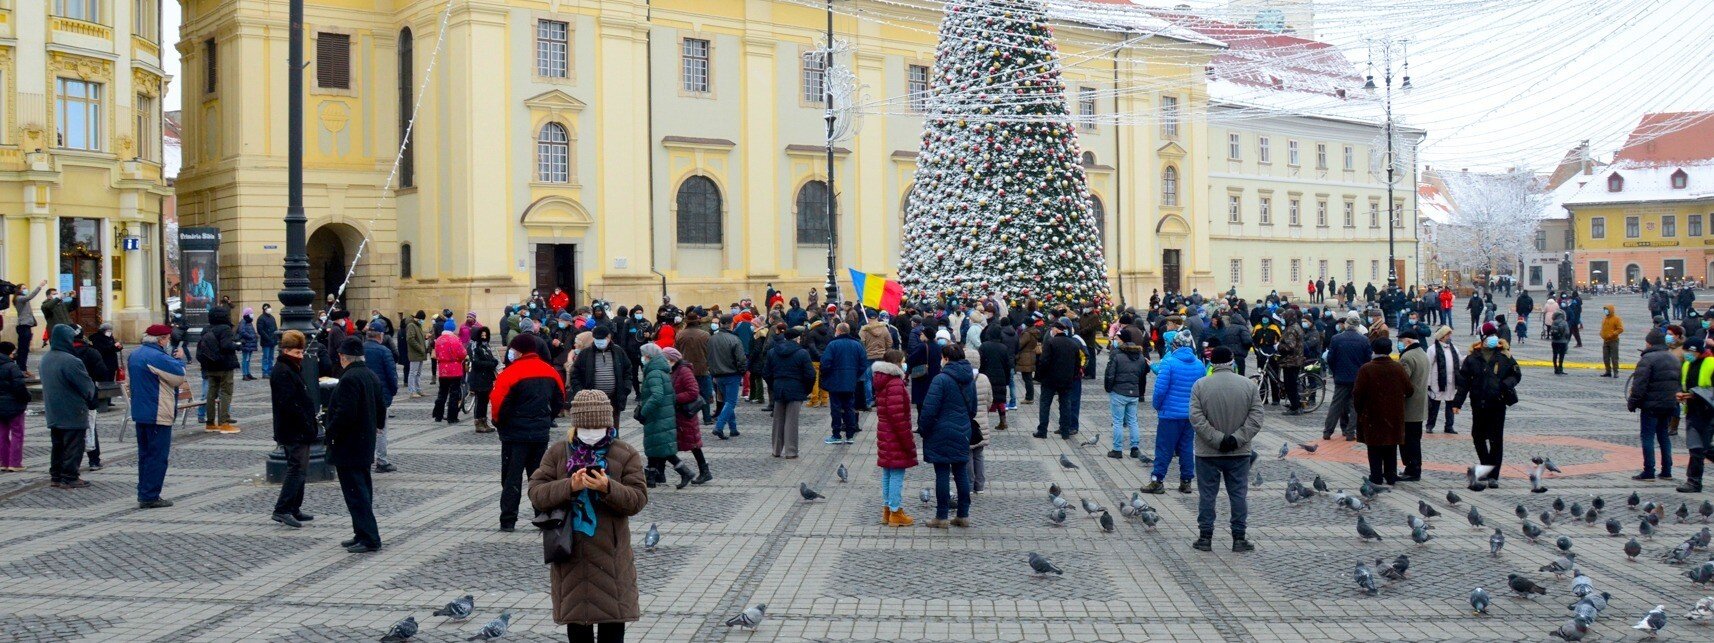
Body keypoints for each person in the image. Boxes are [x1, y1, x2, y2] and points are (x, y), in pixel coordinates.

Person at [528, 389, 647, 643]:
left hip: (611, 556)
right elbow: (536, 493)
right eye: (586, 426)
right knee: (578, 629)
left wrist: (608, 488)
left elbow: (637, 499)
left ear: (608, 424)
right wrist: (569, 486)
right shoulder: (558, 452)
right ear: (576, 425)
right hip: (571, 553)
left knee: (612, 628)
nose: (592, 432)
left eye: (598, 426)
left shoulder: (625, 453)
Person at [1187, 346, 1261, 553]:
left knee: (1207, 495)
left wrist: (1217, 439)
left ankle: (1205, 537)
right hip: (1239, 451)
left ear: (1211, 363)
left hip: (1207, 452)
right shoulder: (1248, 386)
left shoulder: (1200, 385)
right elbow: (1256, 418)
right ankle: (1239, 538)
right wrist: (1236, 439)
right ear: (1231, 362)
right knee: (1238, 495)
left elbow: (1196, 418)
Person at [490, 334, 565, 531]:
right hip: (540, 434)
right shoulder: (549, 371)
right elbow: (560, 399)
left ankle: (508, 520)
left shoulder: (510, 373)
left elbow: (498, 404)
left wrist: (500, 424)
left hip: (514, 436)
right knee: (539, 476)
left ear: (519, 351)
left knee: (511, 479)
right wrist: (547, 419)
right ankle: (541, 515)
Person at [326, 337, 385, 552]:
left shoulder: (350, 378)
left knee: (356, 492)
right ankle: (360, 532)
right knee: (362, 489)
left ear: (343, 357)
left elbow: (345, 413)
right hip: (364, 442)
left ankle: (370, 538)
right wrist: (378, 424)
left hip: (349, 444)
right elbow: (381, 405)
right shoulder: (370, 374)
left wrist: (330, 430)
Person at [1453, 323, 1521, 487]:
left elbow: (1516, 374)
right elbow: (1464, 383)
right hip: (1479, 404)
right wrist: (1457, 403)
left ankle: (1493, 475)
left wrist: (1506, 384)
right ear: (1482, 339)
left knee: (1496, 440)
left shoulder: (1504, 356)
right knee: (1478, 436)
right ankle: (1486, 466)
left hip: (1497, 404)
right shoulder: (1472, 358)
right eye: (1489, 335)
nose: (1493, 338)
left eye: (1494, 335)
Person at [126, 324, 186, 508]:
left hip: (141, 411)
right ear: (160, 339)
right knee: (157, 456)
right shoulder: (156, 356)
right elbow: (178, 376)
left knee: (145, 454)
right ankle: (150, 495)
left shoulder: (135, 354)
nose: (168, 341)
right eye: (167, 338)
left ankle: (144, 491)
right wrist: (180, 361)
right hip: (157, 411)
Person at [920, 344, 975, 528]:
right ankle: (963, 514)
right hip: (963, 430)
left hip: (941, 431)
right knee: (960, 472)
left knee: (942, 473)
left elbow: (929, 409)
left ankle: (942, 516)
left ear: (946, 358)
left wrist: (923, 429)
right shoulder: (969, 378)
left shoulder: (940, 379)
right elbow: (973, 408)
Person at [1144, 330, 1204, 494]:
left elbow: (1160, 391)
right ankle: (1186, 481)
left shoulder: (1169, 362)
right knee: (1186, 448)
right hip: (1189, 414)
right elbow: (1202, 390)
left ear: (1174, 345)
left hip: (1170, 414)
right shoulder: (1199, 364)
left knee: (1164, 448)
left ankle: (1157, 480)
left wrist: (1158, 406)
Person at [269, 331, 318, 528]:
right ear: (286, 350)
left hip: (297, 428)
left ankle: (294, 507)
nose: (300, 356)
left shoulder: (290, 368)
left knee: (301, 469)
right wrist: (306, 423)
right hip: (293, 429)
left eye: (301, 352)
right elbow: (289, 403)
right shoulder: (283, 370)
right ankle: (282, 509)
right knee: (296, 469)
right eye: (297, 352)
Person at [41, 325, 97, 488]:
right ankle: (70, 476)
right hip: (72, 409)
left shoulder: (46, 358)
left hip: (53, 410)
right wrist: (90, 395)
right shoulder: (71, 361)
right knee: (74, 444)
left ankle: (56, 476)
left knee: (57, 444)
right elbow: (87, 387)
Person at [1353, 337, 1410, 486]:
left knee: (1374, 447)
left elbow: (1357, 393)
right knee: (1391, 446)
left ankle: (1376, 476)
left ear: (1374, 350)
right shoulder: (1398, 368)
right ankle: (1391, 476)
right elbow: (1409, 390)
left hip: (1372, 415)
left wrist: (1360, 411)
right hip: (1393, 415)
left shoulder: (1367, 369)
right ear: (1390, 350)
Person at [636, 343, 694, 489]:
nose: (642, 358)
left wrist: (643, 411)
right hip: (662, 414)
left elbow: (657, 396)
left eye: (643, 355)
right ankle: (651, 478)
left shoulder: (654, 373)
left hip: (657, 416)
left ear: (649, 356)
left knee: (662, 447)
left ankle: (685, 472)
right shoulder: (661, 370)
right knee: (655, 446)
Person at [1628, 329, 1679, 481]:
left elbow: (1639, 386)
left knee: (1648, 437)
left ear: (1649, 343)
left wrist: (1632, 402)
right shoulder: (1673, 358)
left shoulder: (1647, 359)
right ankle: (1667, 470)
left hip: (1650, 406)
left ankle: (1649, 471)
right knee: (1664, 436)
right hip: (1669, 404)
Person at [873, 350, 917, 526]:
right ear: (897, 362)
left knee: (888, 472)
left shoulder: (881, 379)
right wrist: (908, 440)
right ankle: (895, 511)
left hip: (884, 431)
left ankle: (887, 510)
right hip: (894, 434)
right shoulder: (896, 383)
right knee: (897, 472)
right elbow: (897, 416)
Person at [662, 347, 712, 484]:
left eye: (665, 359)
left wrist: (674, 398)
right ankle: (691, 472)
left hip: (685, 414)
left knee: (693, 444)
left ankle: (702, 471)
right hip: (678, 414)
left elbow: (693, 391)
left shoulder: (684, 371)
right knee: (681, 444)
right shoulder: (673, 371)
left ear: (672, 359)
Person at [765, 327, 815, 458]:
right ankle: (791, 451)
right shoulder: (802, 353)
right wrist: (806, 389)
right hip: (796, 387)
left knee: (777, 420)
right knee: (791, 422)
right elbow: (810, 375)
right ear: (797, 338)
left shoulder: (772, 352)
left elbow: (766, 373)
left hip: (779, 387)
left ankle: (776, 450)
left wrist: (773, 385)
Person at [1323, 312, 1369, 441]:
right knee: (1355, 406)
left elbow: (1330, 358)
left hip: (1341, 378)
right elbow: (1367, 361)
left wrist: (1335, 372)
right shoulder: (1364, 340)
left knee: (1336, 405)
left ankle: (1327, 431)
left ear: (1347, 324)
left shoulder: (1336, 339)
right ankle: (1350, 432)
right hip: (1357, 378)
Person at [1033, 320, 1083, 439]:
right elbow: (1078, 364)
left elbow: (1044, 361)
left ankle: (1042, 430)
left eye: (1052, 329)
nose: (1051, 331)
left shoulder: (1050, 343)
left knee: (1045, 404)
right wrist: (1073, 376)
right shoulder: (1073, 344)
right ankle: (1065, 431)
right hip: (1066, 380)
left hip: (1049, 380)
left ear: (1056, 329)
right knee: (1065, 405)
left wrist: (1040, 376)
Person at [819, 323, 867, 445]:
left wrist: (828, 375)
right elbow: (863, 364)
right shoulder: (857, 344)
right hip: (850, 382)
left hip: (835, 382)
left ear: (838, 331)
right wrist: (854, 376)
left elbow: (825, 363)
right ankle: (850, 435)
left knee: (835, 408)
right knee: (849, 407)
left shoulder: (832, 344)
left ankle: (836, 434)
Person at [197, 306, 242, 433]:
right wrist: (237, 346)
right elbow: (226, 345)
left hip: (210, 365)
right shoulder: (225, 328)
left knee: (211, 393)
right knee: (226, 392)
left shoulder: (206, 329)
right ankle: (224, 423)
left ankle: (210, 423)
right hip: (224, 365)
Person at [1678, 334, 1713, 493]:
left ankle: (1694, 482)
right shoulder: (1686, 364)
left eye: (1689, 352)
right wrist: (1680, 394)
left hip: (1708, 413)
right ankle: (1693, 481)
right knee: (1697, 447)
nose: (1687, 354)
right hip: (1692, 411)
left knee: (1701, 448)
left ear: (1698, 351)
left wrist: (1697, 394)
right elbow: (1684, 385)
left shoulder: (1711, 364)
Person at [1104, 329, 1147, 459]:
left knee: (1117, 421)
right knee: (1133, 421)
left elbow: (1110, 374)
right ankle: (1134, 448)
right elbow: (1142, 373)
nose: (1115, 341)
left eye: (1117, 339)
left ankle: (1117, 449)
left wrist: (1108, 388)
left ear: (1123, 340)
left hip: (1119, 392)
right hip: (1133, 392)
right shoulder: (1139, 355)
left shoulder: (1116, 354)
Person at [362, 327, 399, 473]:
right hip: (380, 396)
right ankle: (381, 461)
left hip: (363, 394)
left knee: (364, 428)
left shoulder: (360, 349)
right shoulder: (384, 351)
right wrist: (393, 391)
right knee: (381, 429)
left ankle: (365, 458)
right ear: (381, 335)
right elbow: (392, 374)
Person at [705, 315, 747, 439]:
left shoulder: (712, 339)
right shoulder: (734, 339)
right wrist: (742, 371)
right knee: (731, 402)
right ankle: (719, 427)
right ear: (730, 324)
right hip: (732, 374)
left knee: (727, 401)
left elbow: (709, 357)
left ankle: (733, 428)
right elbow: (741, 358)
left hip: (718, 375)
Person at [1396, 330, 1429, 481]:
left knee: (1408, 440)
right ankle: (1414, 468)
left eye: (1401, 341)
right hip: (1420, 405)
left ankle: (1412, 469)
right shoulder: (1422, 353)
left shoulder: (1407, 357)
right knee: (1415, 439)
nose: (1400, 344)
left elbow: (1403, 382)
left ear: (1408, 341)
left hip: (1408, 407)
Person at [1425, 327, 1461, 435]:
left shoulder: (1453, 348)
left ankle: (1449, 426)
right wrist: (1428, 383)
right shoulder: (1432, 349)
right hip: (1437, 382)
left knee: (1450, 404)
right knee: (1434, 405)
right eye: (1448, 335)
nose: (1449, 337)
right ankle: (1430, 425)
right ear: (1442, 336)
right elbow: (1428, 366)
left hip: (1451, 382)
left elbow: (1459, 360)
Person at [0, 342, 30, 472]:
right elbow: (19, 387)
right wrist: (26, 397)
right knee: (17, 433)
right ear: (9, 352)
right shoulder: (12, 367)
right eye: (13, 352)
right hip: (14, 405)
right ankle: (15, 462)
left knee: (2, 434)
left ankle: (3, 462)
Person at [432, 320, 467, 423]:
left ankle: (438, 415)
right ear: (453, 328)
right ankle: (452, 417)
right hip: (455, 370)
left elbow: (436, 354)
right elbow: (462, 353)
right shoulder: (455, 340)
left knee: (442, 393)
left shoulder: (438, 340)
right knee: (454, 394)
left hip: (443, 370)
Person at [9, 280, 46, 375]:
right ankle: (21, 368)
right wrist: (39, 286)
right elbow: (30, 297)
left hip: (26, 325)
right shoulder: (19, 298)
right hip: (23, 325)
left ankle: (23, 368)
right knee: (23, 349)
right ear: (19, 290)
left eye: (26, 288)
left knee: (24, 349)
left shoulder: (21, 298)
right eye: (24, 288)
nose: (26, 289)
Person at [1600, 305, 1624, 377]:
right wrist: (1601, 334)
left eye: (1607, 310)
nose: (1606, 311)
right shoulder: (1605, 319)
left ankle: (1616, 372)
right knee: (1605, 357)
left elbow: (1620, 329)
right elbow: (1603, 328)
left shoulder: (1616, 319)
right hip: (1605, 341)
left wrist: (1613, 334)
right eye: (1605, 310)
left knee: (1614, 357)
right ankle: (1608, 371)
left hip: (1614, 340)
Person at [256, 304, 279, 378]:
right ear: (265, 309)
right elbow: (260, 330)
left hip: (272, 341)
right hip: (266, 341)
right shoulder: (261, 318)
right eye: (268, 308)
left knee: (271, 357)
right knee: (266, 357)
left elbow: (275, 328)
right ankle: (265, 372)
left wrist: (275, 338)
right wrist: (268, 338)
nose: (270, 309)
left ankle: (270, 371)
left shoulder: (272, 317)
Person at [237, 307, 260, 381]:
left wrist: (255, 335)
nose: (252, 315)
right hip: (246, 343)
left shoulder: (249, 321)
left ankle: (248, 373)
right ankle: (245, 374)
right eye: (251, 313)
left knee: (248, 359)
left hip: (250, 343)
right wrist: (251, 336)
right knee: (245, 359)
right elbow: (242, 332)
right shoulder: (243, 321)